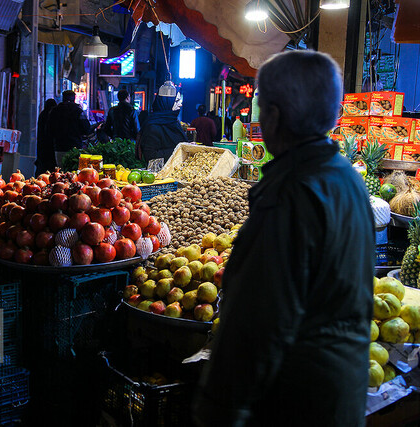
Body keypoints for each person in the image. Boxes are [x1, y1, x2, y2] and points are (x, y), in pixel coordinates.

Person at [193, 50, 375, 425]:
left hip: (292, 400)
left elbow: (255, 324)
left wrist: (218, 409)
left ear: (274, 116)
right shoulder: (346, 178)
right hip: (340, 393)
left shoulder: (290, 193)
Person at [139, 88, 186, 163]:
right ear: (167, 102)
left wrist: (188, 146)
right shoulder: (153, 126)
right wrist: (180, 150)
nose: (180, 104)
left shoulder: (174, 122)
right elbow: (151, 157)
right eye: (176, 101)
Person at [46, 90, 91, 167]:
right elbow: (86, 129)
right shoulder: (78, 111)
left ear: (63, 98)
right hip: (75, 147)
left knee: (60, 172)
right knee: (74, 172)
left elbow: (48, 130)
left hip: (59, 147)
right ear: (74, 98)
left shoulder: (54, 111)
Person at [35, 98, 57, 175]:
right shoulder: (52, 115)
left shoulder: (42, 114)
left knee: (42, 165)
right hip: (50, 146)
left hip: (42, 145)